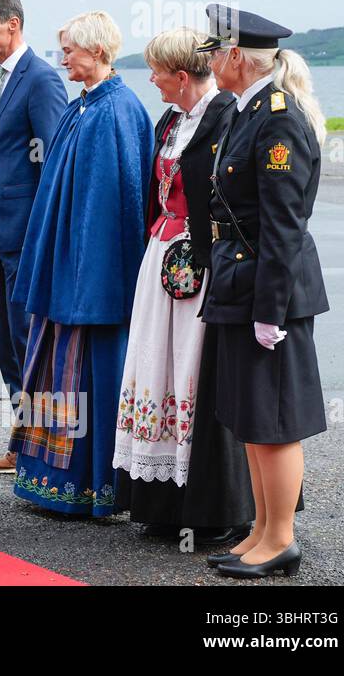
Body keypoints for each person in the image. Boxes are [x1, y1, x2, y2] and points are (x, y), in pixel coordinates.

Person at [196, 4, 328, 578]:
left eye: (213, 54)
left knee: (274, 421)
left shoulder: (278, 119)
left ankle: (281, 538)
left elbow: (283, 225)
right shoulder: (246, 112)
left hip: (268, 290)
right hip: (240, 281)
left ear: (233, 58)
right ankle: (259, 531)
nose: (210, 64)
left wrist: (269, 310)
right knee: (251, 418)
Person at [8, 11, 154, 517]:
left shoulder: (117, 112)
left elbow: (121, 208)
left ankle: (91, 489)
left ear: (96, 51)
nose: (63, 57)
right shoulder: (83, 106)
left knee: (90, 375)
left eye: (69, 49)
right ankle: (52, 483)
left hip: (94, 281)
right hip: (67, 272)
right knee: (54, 370)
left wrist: (89, 283)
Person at [112, 27, 254, 545]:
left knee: (197, 373)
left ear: (179, 75)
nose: (149, 79)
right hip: (162, 259)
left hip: (204, 264)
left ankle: (216, 508)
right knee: (157, 366)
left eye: (155, 71)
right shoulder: (171, 119)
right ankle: (163, 501)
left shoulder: (225, 117)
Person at [0, 0, 67, 474]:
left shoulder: (42, 80)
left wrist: (47, 235)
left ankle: (43, 449)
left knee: (31, 342)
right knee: (6, 342)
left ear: (13, 24)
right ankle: (21, 441)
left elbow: (52, 165)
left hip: (27, 236)